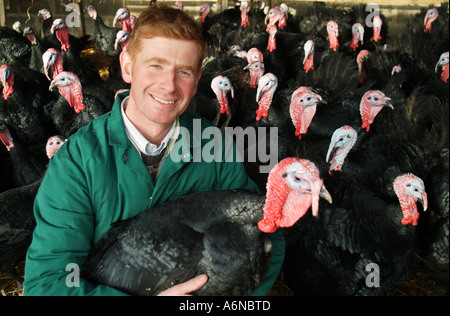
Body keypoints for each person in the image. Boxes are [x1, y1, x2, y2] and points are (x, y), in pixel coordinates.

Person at [24, 4, 285, 296]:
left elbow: (263, 233)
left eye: (183, 71)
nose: (169, 85)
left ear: (198, 79)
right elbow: (50, 282)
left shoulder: (216, 145)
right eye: (156, 66)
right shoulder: (77, 163)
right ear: (127, 66)